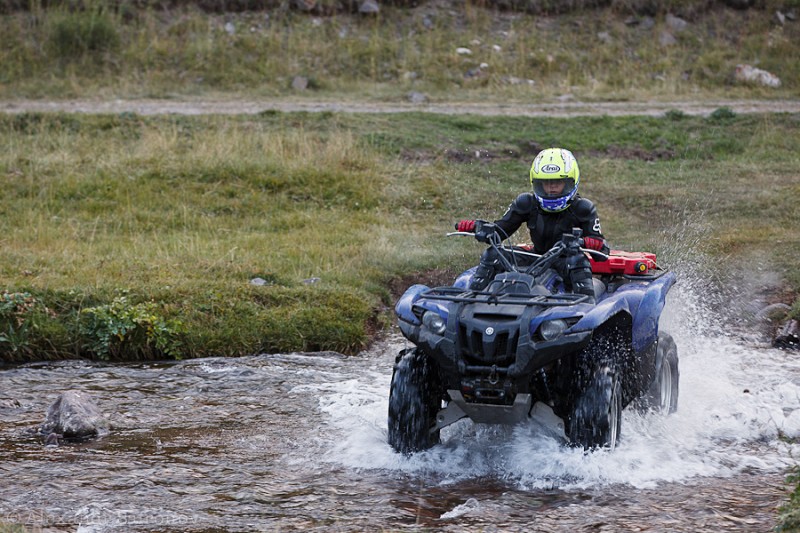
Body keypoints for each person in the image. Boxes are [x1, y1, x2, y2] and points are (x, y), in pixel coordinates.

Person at [456, 148, 609, 301]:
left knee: (578, 260)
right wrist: (480, 228)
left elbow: (603, 251)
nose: (551, 188)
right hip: (535, 257)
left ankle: (586, 306)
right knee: (493, 254)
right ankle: (472, 299)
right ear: (535, 182)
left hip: (564, 262)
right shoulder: (526, 202)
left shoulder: (583, 208)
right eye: (546, 183)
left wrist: (585, 242)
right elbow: (500, 231)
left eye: (558, 182)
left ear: (571, 182)